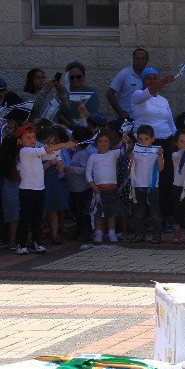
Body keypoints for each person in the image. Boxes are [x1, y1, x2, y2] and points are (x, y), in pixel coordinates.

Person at [13, 124, 74, 254]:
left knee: (37, 218)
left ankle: (37, 243)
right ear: (20, 141)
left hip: (40, 188)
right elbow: (46, 151)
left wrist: (55, 159)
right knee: (25, 218)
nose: (32, 140)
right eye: (28, 137)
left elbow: (49, 156)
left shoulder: (35, 152)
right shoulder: (24, 151)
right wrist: (64, 145)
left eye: (33, 137)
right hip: (27, 190)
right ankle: (21, 244)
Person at [132, 67, 177, 219]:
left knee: (164, 180)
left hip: (164, 142)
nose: (152, 81)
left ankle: (165, 216)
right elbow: (148, 92)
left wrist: (175, 139)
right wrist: (164, 82)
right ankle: (143, 218)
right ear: (143, 81)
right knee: (144, 180)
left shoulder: (163, 100)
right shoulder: (137, 95)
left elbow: (170, 122)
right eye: (148, 78)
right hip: (145, 144)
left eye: (154, 78)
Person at [86, 129, 128, 245]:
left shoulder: (113, 154)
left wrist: (125, 141)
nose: (103, 143)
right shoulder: (93, 157)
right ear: (96, 143)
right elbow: (88, 173)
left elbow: (123, 150)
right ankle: (99, 233)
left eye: (106, 141)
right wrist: (92, 185)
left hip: (111, 189)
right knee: (98, 213)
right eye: (100, 141)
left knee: (111, 213)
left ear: (110, 143)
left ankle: (111, 233)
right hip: (98, 190)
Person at [130, 125, 165, 243]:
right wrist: (130, 159)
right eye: (140, 139)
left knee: (154, 212)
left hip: (152, 186)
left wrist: (160, 156)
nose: (143, 141)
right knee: (139, 212)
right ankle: (139, 235)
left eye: (146, 139)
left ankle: (157, 235)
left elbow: (160, 169)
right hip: (138, 185)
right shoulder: (136, 151)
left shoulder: (156, 151)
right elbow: (130, 170)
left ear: (152, 139)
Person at [107, 48, 150, 120]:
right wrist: (121, 113)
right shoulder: (124, 73)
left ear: (147, 61)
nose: (140, 61)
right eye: (137, 58)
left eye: (143, 59)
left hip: (144, 118)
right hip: (127, 118)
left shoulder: (150, 76)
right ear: (133, 59)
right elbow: (110, 94)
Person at [59, 61, 100, 128]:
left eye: (78, 77)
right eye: (72, 77)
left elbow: (93, 114)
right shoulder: (63, 92)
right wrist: (70, 126)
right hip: (67, 130)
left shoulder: (91, 92)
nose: (75, 79)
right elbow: (58, 113)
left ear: (83, 77)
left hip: (87, 130)